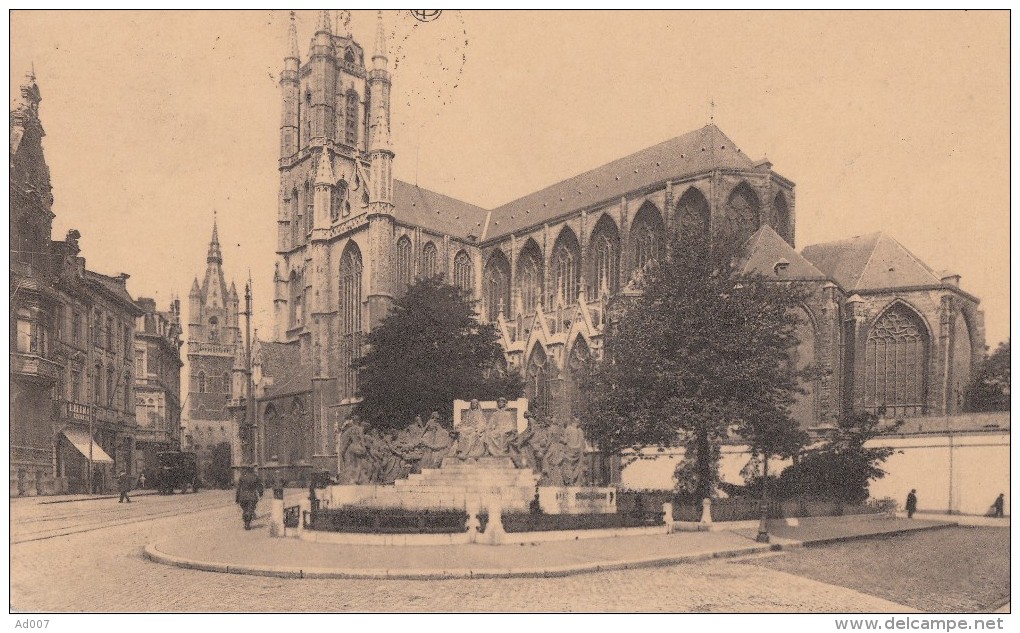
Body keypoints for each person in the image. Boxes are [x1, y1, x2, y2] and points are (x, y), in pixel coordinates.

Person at [236, 465, 262, 530]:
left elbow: (238, 488)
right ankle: (247, 524)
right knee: (250, 510)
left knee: (245, 510)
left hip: (243, 496)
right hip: (252, 495)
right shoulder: (255, 477)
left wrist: (237, 498)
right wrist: (261, 494)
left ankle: (246, 523)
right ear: (252, 469)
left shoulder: (242, 477)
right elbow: (260, 487)